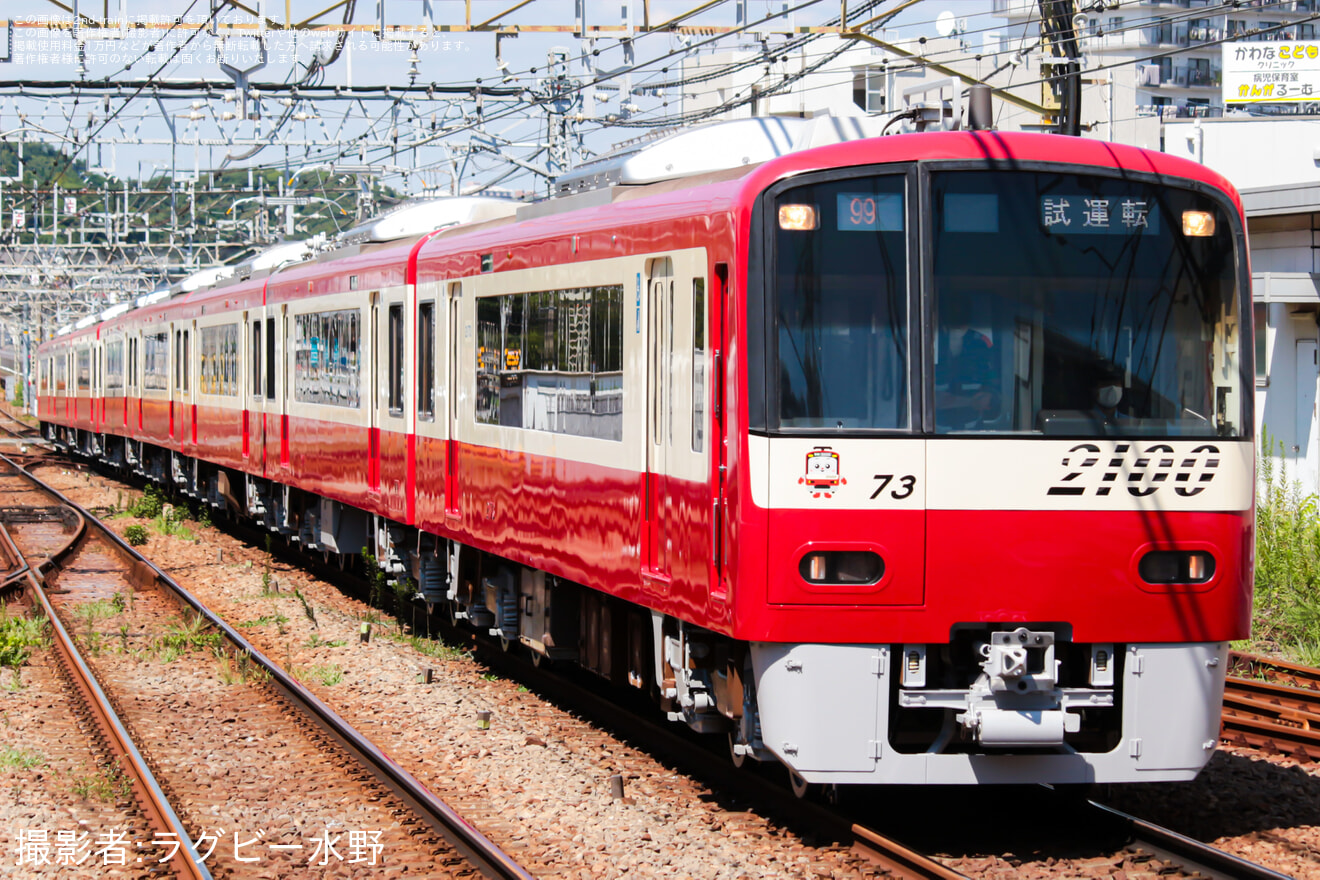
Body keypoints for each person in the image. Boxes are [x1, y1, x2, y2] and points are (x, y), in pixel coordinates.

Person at [935, 296, 1000, 431]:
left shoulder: (981, 343)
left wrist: (990, 395)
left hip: (973, 427)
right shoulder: (929, 341)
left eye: (962, 313)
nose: (958, 317)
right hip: (934, 429)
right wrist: (969, 402)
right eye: (954, 314)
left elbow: (995, 383)